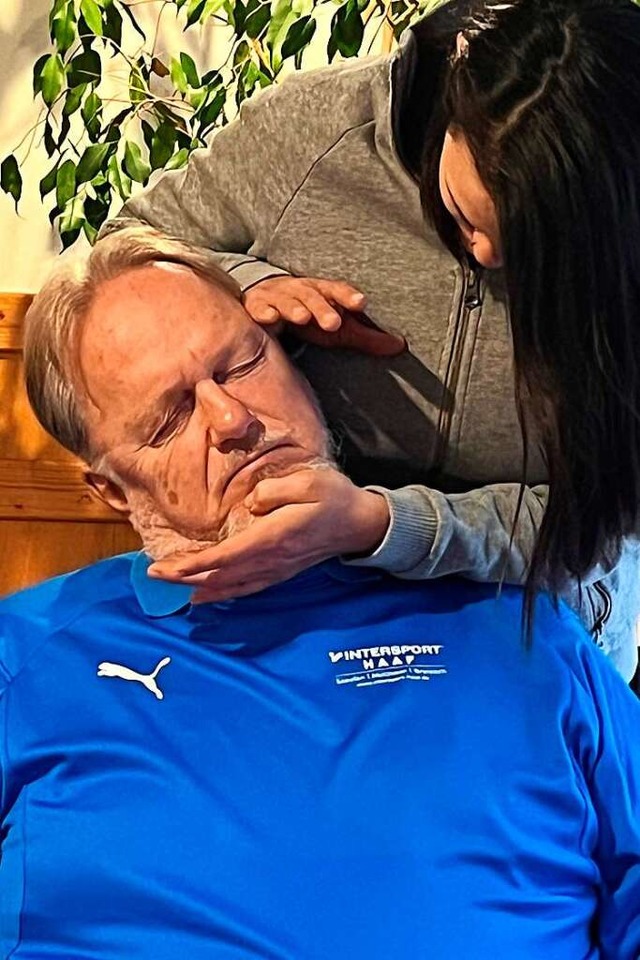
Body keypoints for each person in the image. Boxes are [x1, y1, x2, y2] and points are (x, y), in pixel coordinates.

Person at [3, 225, 640, 959]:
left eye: (242, 364)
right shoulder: (25, 662)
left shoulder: (520, 631)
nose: (232, 420)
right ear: (113, 490)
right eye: (170, 418)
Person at [101, 0, 640, 682]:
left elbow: (593, 529)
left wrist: (381, 523)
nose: (485, 258)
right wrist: (241, 285)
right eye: (464, 217)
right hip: (301, 597)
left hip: (542, 616)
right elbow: (124, 252)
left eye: (533, 250)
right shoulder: (314, 128)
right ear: (456, 112)